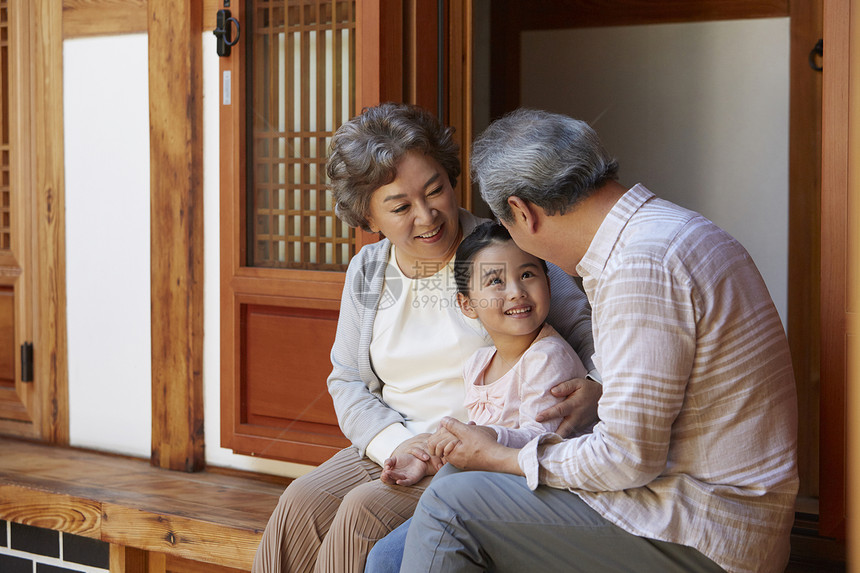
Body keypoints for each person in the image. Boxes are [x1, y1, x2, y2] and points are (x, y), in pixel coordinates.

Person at [398, 109, 799, 573]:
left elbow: (626, 461)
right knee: (458, 481)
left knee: (451, 504)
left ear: (523, 213)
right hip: (709, 511)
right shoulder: (669, 230)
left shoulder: (639, 267)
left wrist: (504, 457)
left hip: (705, 532)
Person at [251, 103, 602, 573]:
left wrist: (596, 386)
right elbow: (347, 380)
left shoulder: (504, 250)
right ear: (368, 217)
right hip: (394, 442)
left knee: (363, 511)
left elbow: (591, 337)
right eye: (400, 207)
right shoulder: (368, 270)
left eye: (435, 190)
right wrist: (393, 443)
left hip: (467, 449)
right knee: (300, 501)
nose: (427, 215)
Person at [380, 221, 589, 488]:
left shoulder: (547, 356)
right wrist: (426, 459)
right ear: (466, 304)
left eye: (526, 275)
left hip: (540, 486)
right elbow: (474, 443)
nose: (516, 293)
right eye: (495, 281)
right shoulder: (478, 364)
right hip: (492, 480)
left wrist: (486, 435)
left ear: (548, 284)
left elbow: (543, 441)